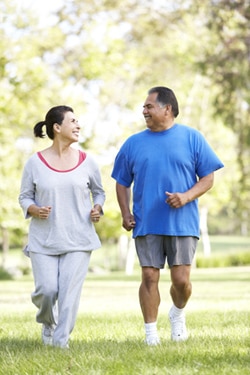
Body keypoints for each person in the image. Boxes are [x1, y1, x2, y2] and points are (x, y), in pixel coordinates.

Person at [111, 86, 224, 345]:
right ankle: (151, 334)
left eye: (149, 106)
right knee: (149, 276)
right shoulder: (133, 143)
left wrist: (185, 196)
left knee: (181, 281)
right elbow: (121, 182)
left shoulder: (192, 138)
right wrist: (125, 212)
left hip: (183, 222)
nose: (144, 111)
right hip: (146, 222)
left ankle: (178, 313)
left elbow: (208, 178)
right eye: (144, 107)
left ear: (167, 109)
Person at [19, 105, 105, 349]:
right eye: (73, 121)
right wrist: (34, 209)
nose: (78, 126)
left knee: (68, 295)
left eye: (78, 121)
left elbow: (99, 192)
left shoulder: (88, 162)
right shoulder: (34, 163)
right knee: (47, 290)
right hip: (44, 239)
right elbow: (24, 196)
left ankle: (60, 342)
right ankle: (48, 321)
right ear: (57, 128)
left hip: (78, 237)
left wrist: (97, 208)